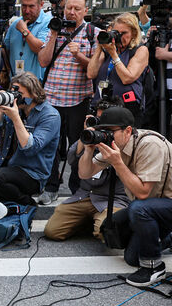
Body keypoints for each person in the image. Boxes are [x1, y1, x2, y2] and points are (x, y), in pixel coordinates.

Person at [78, 105, 172, 286]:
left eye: (111, 131)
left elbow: (143, 193)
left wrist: (117, 163)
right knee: (130, 255)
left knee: (139, 209)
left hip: (162, 203)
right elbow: (84, 173)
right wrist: (89, 149)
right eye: (103, 131)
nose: (106, 136)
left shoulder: (149, 144)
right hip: (154, 206)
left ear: (128, 131)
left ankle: (154, 267)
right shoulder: (117, 145)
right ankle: (167, 237)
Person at [0, 72, 61, 212]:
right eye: (13, 92)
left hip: (32, 173)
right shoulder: (16, 108)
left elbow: (30, 148)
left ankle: (27, 202)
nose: (16, 96)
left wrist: (16, 118)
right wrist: (1, 110)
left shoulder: (50, 115)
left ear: (33, 94)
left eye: (19, 93)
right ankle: (8, 198)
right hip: (6, 168)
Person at [38, 0, 97, 204]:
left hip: (78, 100)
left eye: (77, 9)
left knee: (78, 146)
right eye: (68, 8)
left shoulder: (93, 33)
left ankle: (77, 188)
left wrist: (78, 55)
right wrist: (54, 35)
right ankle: (51, 186)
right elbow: (43, 61)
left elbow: (95, 69)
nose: (71, 12)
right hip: (51, 98)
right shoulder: (54, 29)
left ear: (85, 11)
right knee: (50, 145)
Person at [44, 99, 130, 241]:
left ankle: (96, 222)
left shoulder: (123, 139)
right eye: (98, 120)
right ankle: (88, 220)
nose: (101, 126)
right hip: (84, 195)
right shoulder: (93, 136)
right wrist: (86, 135)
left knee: (106, 233)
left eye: (106, 122)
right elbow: (72, 160)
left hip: (113, 199)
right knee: (52, 231)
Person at [87, 12, 149, 127]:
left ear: (134, 33)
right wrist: (99, 47)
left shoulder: (140, 50)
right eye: (116, 33)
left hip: (126, 110)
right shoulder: (107, 50)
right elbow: (91, 74)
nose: (120, 37)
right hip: (102, 107)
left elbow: (127, 78)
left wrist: (114, 55)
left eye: (124, 33)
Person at [4, 0, 50, 80]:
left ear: (41, 5)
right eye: (24, 6)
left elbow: (40, 49)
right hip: (15, 82)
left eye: (31, 6)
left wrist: (25, 31)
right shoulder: (15, 24)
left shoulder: (48, 22)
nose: (27, 11)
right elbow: (5, 50)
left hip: (36, 84)